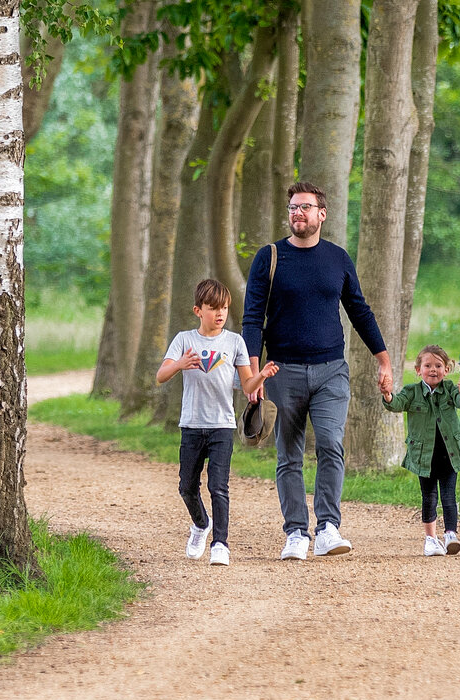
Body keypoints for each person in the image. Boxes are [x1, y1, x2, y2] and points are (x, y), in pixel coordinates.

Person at [241, 181, 393, 561]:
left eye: (305, 207)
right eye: (293, 207)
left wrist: (383, 359)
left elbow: (359, 310)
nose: (298, 213)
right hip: (281, 371)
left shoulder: (338, 258)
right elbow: (251, 318)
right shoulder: (270, 256)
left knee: (330, 444)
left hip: (331, 371)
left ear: (322, 214)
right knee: (288, 454)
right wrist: (253, 376)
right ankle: (295, 532)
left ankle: (327, 528)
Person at [154, 279, 273, 567]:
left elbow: (246, 385)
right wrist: (180, 364)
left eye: (224, 308)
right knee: (186, 487)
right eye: (213, 308)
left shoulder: (234, 342)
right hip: (192, 425)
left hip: (222, 425)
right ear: (198, 310)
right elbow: (161, 375)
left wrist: (262, 376)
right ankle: (200, 524)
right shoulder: (184, 340)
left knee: (219, 486)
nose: (220, 313)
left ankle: (221, 544)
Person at [384, 343, 460, 555]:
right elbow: (396, 404)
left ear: (446, 369)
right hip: (424, 456)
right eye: (428, 365)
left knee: (449, 496)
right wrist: (388, 395)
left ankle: (451, 534)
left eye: (438, 365)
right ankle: (431, 539)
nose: (433, 370)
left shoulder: (450, 388)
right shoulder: (412, 392)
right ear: (418, 370)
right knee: (429, 496)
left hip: (450, 454)